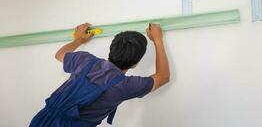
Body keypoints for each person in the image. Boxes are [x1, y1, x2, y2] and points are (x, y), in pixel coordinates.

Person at [30, 23, 170, 126]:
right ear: (136, 63)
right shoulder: (125, 86)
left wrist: (78, 39)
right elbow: (163, 77)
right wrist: (157, 40)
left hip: (42, 120)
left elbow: (59, 54)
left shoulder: (85, 60)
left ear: (112, 49)